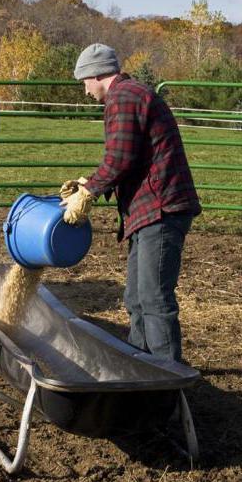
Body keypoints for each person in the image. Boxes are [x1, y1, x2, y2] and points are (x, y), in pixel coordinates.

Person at [60, 43, 201, 362]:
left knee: (153, 299)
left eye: (84, 81)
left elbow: (120, 158)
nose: (85, 91)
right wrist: (89, 182)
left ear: (96, 73)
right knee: (136, 299)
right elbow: (130, 157)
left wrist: (91, 192)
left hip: (160, 209)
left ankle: (169, 384)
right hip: (151, 210)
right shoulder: (131, 94)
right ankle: (141, 369)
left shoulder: (123, 97)